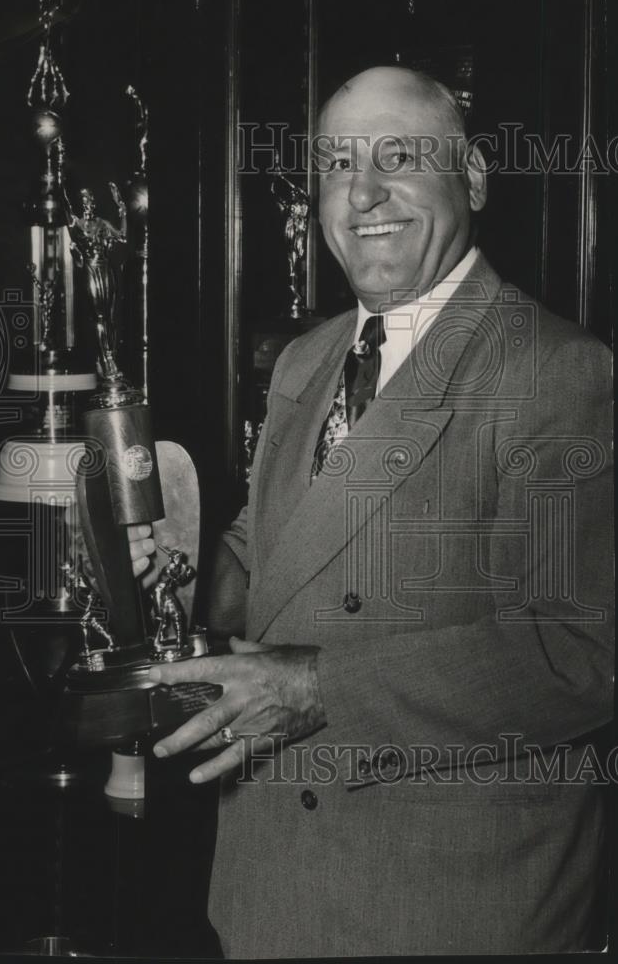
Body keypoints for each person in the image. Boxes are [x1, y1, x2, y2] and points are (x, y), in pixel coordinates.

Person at [128, 67, 613, 956]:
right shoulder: (306, 360)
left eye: (400, 157)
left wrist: (315, 689)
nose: (363, 192)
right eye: (336, 164)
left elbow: (582, 654)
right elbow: (275, 561)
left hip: (447, 903)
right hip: (273, 887)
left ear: (470, 180)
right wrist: (180, 562)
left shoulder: (556, 371)